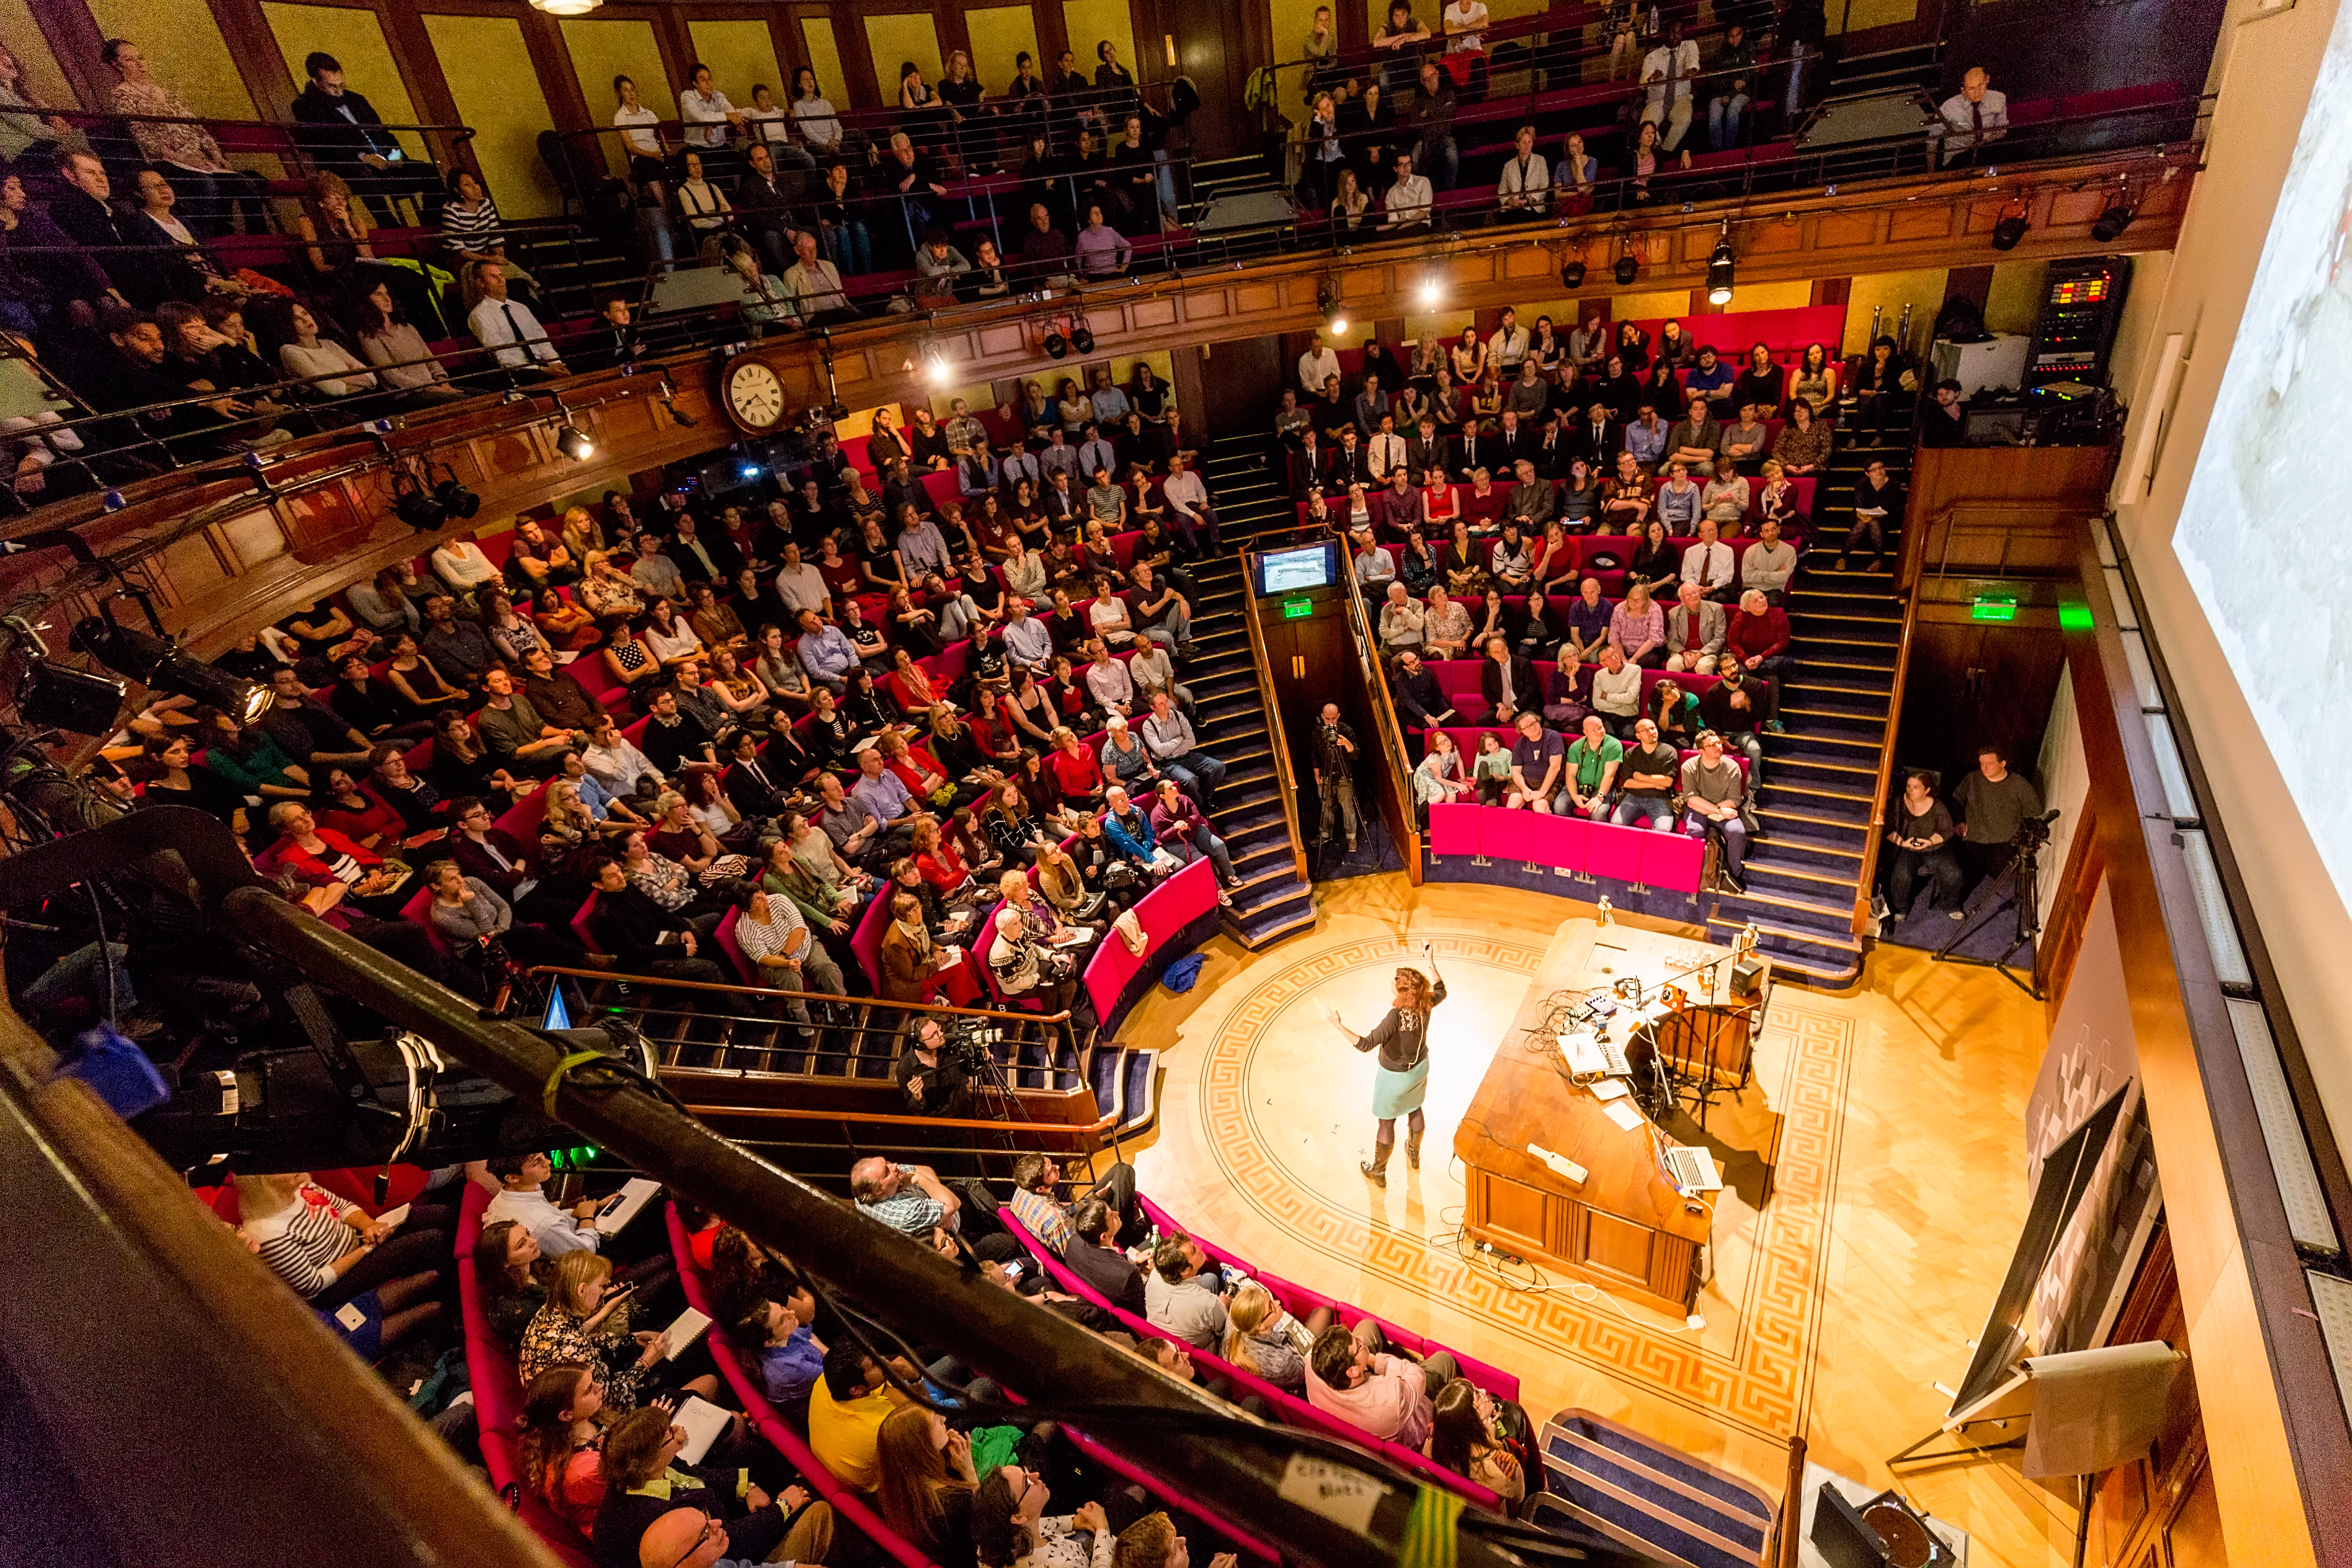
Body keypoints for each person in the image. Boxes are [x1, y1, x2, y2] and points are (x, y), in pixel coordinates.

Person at [1325, 946, 1444, 1184]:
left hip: (1394, 1079)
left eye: (1396, 983)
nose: (1392, 983)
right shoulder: (1426, 1002)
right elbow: (1441, 989)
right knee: (1415, 1109)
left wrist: (1338, 1025)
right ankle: (1414, 1153)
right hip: (1420, 1069)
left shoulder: (1395, 1017)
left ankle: (1378, 1172)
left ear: (1403, 993)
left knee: (1387, 1122)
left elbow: (1365, 1044)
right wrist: (1430, 960)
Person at [290, 51, 442, 225]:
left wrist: (395, 155)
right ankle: (390, 226)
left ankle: (431, 226)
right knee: (362, 174)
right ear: (316, 82)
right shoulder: (305, 106)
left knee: (430, 172)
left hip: (383, 159)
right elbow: (327, 144)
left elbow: (383, 133)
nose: (339, 92)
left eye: (341, 85)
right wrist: (364, 157)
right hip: (347, 164)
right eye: (332, 87)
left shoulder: (356, 100)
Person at [1304, 1316, 1456, 1446]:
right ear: (1353, 1371)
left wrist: (1364, 1359)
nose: (1361, 1339)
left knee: (1367, 1325)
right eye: (1358, 1344)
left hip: (1360, 1414)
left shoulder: (1312, 1367)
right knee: (1444, 1360)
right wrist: (1376, 1362)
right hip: (1407, 1422)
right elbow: (1417, 1375)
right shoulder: (1391, 1399)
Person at [1952, 745, 2043, 890]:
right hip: (1974, 838)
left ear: (2003, 764)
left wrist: (2016, 826)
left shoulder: (2018, 784)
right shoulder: (1973, 779)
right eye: (1982, 764)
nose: (1984, 768)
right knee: (1964, 878)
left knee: (2001, 880)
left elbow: (2034, 810)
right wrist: (1959, 821)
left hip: (2003, 842)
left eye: (1989, 764)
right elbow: (1957, 800)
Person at [467, 260, 566, 379]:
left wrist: (556, 364)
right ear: (481, 283)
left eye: (501, 275)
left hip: (542, 364)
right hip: (518, 371)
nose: (501, 281)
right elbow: (502, 355)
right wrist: (543, 370)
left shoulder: (521, 308)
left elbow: (542, 341)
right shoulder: (480, 315)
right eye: (493, 277)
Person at [1680, 730, 1747, 892]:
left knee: (1737, 831)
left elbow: (1735, 799)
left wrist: (1715, 810)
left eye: (1719, 742)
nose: (1719, 746)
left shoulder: (1732, 767)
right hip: (1708, 810)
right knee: (1696, 831)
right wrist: (1717, 810)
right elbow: (1692, 798)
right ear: (1701, 751)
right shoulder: (1689, 766)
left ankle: (1735, 873)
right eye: (1713, 745)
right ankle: (1694, 871)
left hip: (1720, 809)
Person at [1640, 22, 1701, 150]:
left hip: (1681, 99)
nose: (1676, 36)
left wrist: (1691, 70)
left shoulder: (1689, 46)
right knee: (1646, 123)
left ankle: (1666, 150)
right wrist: (1653, 78)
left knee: (1684, 120)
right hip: (1657, 101)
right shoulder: (1652, 57)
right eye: (1672, 32)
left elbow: (1693, 62)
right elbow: (1643, 84)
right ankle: (1655, 148)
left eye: (1679, 32)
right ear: (1665, 33)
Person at [1310, 702, 1360, 853]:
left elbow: (1356, 755)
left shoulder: (1346, 730)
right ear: (1322, 717)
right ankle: (1325, 834)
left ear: (1338, 716)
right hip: (1325, 775)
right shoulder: (1317, 732)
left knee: (1348, 807)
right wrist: (1317, 776)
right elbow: (1315, 755)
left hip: (1343, 774)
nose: (1331, 722)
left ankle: (1351, 837)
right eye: (1327, 719)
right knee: (1326, 806)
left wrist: (1347, 743)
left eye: (1334, 719)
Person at [1932, 66, 2007, 165]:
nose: (1977, 92)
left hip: (1987, 152)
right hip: (1958, 157)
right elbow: (1932, 140)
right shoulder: (1949, 107)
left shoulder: (1999, 99)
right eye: (1972, 89)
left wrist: (1991, 138)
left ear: (1987, 80)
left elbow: (2002, 131)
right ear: (1963, 90)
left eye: (1981, 86)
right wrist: (1931, 172)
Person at [1840, 458, 1902, 571]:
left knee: (1874, 523)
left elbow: (1892, 506)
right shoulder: (1862, 485)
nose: (1879, 471)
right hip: (1863, 515)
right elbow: (1859, 504)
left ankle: (1879, 559)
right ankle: (1843, 557)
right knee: (1862, 523)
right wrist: (1867, 515)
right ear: (1868, 474)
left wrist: (1874, 515)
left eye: (1881, 468)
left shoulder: (1893, 484)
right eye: (1874, 470)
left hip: (1885, 517)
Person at [1561, 714, 1622, 821]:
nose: (1599, 732)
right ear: (1585, 733)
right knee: (1560, 806)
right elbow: (1570, 775)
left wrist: (1600, 797)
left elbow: (1610, 774)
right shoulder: (1576, 747)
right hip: (1578, 786)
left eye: (1601, 728)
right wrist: (1575, 796)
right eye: (1594, 730)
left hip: (1601, 789)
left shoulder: (1614, 745)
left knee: (1598, 812)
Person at [1706, 22, 1756, 150]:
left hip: (1741, 92)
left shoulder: (1748, 49)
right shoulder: (1719, 54)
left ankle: (1730, 150)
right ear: (1727, 37)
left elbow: (1745, 79)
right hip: (1720, 93)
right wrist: (1731, 85)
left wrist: (1729, 95)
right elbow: (1713, 81)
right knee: (1715, 113)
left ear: (1743, 33)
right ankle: (1717, 152)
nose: (1735, 39)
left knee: (1733, 110)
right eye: (1731, 36)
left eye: (1738, 35)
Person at [1920, 377, 1969, 446]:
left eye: (1948, 393)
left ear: (1957, 394)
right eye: (1940, 394)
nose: (1944, 397)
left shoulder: (1967, 412)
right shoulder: (1934, 416)